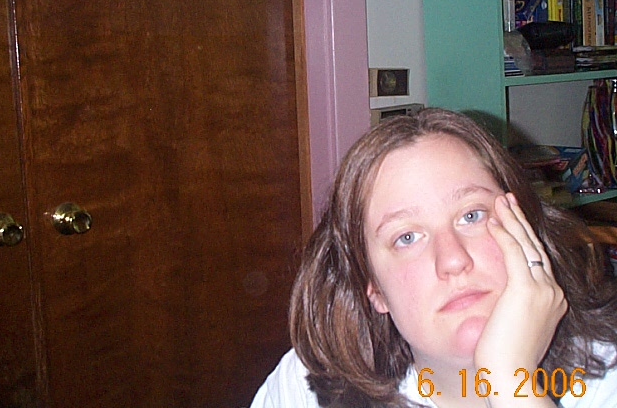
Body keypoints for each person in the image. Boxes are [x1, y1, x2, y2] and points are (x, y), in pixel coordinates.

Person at [250, 108, 617, 408]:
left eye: (471, 215)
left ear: (526, 227)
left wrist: (510, 381)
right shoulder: (310, 387)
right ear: (374, 289)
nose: (453, 260)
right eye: (407, 238)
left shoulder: (606, 380)